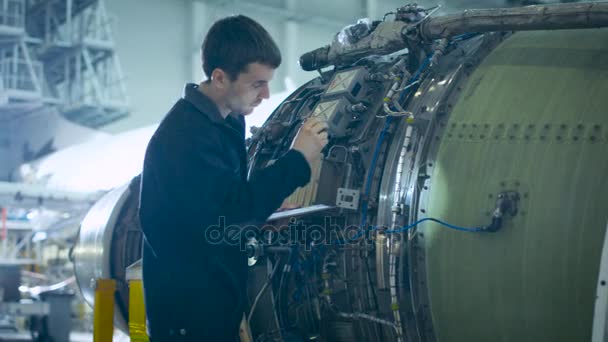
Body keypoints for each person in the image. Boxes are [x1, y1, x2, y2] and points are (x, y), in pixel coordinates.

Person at [138, 15, 328, 341]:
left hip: (216, 302)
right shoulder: (186, 135)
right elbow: (230, 209)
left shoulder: (227, 122)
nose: (266, 95)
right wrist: (297, 159)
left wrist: (258, 218)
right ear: (220, 77)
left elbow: (217, 210)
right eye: (257, 84)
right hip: (189, 313)